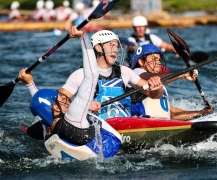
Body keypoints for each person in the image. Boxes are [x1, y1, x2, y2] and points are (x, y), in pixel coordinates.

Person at [18, 26, 163, 157]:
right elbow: (56, 108)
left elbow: (155, 95)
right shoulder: (79, 75)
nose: (116, 50)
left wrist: (157, 86)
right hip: (96, 133)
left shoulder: (125, 72)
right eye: (111, 45)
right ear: (98, 48)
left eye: (117, 46)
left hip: (126, 128)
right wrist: (87, 106)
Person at [130, 44, 214, 121]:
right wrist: (182, 74)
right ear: (141, 62)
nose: (159, 62)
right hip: (142, 122)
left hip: (160, 125)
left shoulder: (160, 85)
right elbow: (149, 78)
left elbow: (172, 114)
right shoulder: (136, 73)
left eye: (159, 60)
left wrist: (201, 113)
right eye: (154, 59)